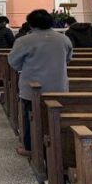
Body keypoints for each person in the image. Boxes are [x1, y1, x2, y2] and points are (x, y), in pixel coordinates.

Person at [8, 9, 72, 157]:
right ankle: (58, 144)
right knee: (57, 115)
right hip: (58, 86)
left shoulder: (24, 40)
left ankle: (30, 147)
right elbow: (68, 58)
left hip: (32, 88)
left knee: (30, 116)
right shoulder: (63, 39)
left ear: (30, 24)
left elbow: (13, 62)